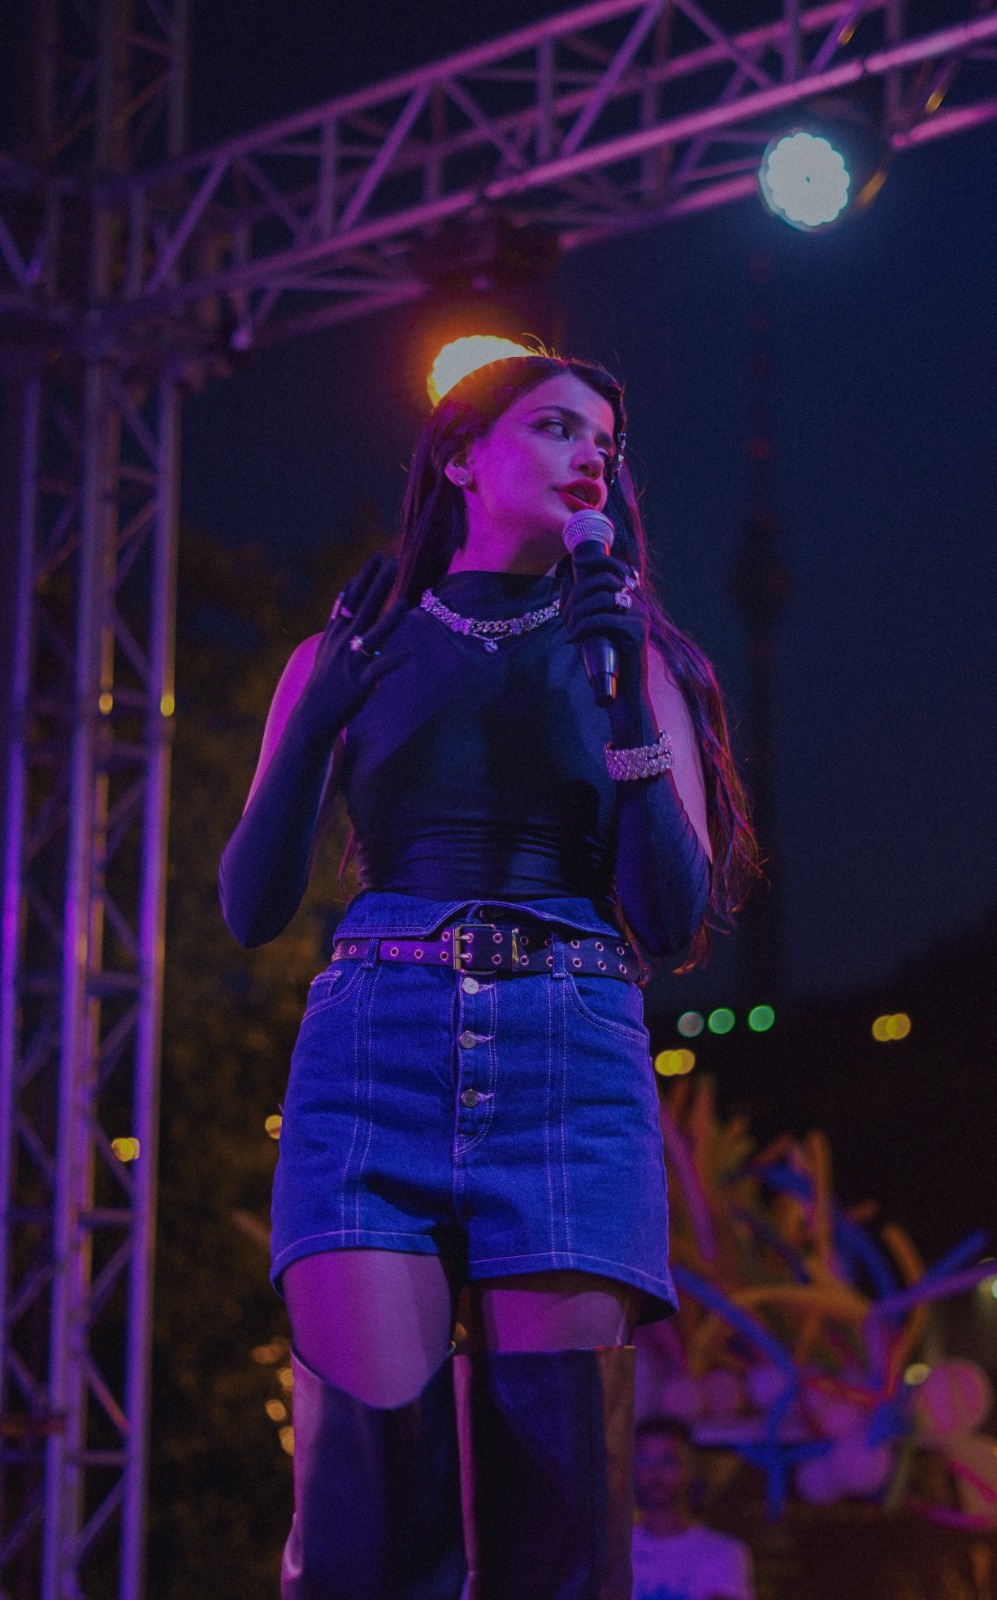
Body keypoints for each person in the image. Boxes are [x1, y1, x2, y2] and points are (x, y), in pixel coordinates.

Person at [218, 350, 757, 1600]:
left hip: (567, 1064)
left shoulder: (637, 657)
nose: (591, 457)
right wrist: (315, 713)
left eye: (606, 444)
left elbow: (670, 915)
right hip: (374, 1060)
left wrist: (625, 704)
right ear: (462, 456)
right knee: (366, 1525)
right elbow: (251, 908)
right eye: (557, 426)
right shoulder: (353, 649)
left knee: (556, 1531)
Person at [632, 1418, 754, 1600]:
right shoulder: (613, 1553)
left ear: (691, 1468)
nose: (654, 1473)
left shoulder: (723, 1553)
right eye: (643, 1461)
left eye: (667, 1461)